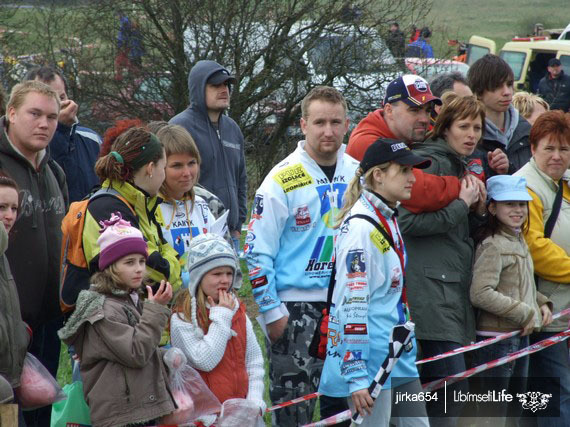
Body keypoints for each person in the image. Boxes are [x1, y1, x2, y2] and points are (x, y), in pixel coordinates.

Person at [246, 86, 359, 425]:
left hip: (348, 305)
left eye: (336, 122)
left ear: (347, 124)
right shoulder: (281, 178)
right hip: (295, 311)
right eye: (320, 122)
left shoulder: (361, 173)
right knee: (296, 415)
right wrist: (272, 312)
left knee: (345, 413)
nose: (329, 131)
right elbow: (255, 251)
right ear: (303, 124)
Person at [319, 138, 430, 427]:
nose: (412, 176)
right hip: (372, 362)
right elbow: (352, 306)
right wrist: (356, 376)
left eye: (412, 170)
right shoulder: (360, 228)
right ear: (378, 175)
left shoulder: (388, 215)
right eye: (404, 170)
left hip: (399, 354)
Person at [398, 93, 488, 426]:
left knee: (446, 397)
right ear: (444, 129)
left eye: (477, 127)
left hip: (452, 294)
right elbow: (406, 224)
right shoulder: (429, 163)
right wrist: (461, 206)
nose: (472, 135)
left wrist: (477, 210)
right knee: (447, 397)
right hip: (430, 296)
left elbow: (456, 232)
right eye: (463, 126)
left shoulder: (458, 165)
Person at [58, 213, 176, 427]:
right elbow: (136, 353)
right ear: (110, 266)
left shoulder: (129, 298)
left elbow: (138, 347)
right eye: (129, 262)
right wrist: (156, 310)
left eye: (142, 261)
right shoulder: (103, 309)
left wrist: (165, 357)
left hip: (134, 407)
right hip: (121, 414)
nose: (139, 268)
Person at [0, 80, 67, 427]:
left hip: (48, 322)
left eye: (52, 117)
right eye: (35, 114)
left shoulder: (54, 171)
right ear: (11, 114)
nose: (44, 124)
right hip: (7, 326)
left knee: (41, 416)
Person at [470, 175, 553, 425]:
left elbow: (521, 283)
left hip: (518, 336)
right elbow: (480, 292)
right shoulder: (493, 245)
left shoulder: (517, 240)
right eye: (509, 204)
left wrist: (541, 302)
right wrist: (525, 313)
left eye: (521, 204)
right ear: (492, 208)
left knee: (512, 413)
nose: (518, 210)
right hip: (498, 339)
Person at [170, 233, 265, 423]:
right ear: (198, 277)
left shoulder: (237, 309)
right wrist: (221, 316)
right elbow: (204, 360)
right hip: (204, 418)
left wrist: (254, 402)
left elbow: (254, 361)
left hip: (241, 414)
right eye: (217, 274)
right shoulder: (182, 316)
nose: (225, 280)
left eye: (229, 273)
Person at [514, 110, 570, 426]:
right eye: (549, 148)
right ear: (533, 147)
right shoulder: (526, 186)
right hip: (543, 313)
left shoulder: (561, 182)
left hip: (561, 311)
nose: (557, 156)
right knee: (555, 396)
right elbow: (533, 246)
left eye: (564, 148)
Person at [83, 127, 181, 293]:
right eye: (163, 168)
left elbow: (162, 251)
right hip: (115, 314)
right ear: (150, 168)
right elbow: (159, 273)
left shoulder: (140, 202)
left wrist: (168, 260)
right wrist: (174, 266)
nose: (164, 176)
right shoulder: (110, 209)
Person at [347, 74, 464, 214]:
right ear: (389, 110)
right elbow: (418, 191)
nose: (424, 119)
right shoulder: (366, 142)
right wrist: (463, 186)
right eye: (414, 110)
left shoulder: (407, 130)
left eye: (427, 111)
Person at [169, 60, 247, 255]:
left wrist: (238, 224)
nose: (224, 90)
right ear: (198, 88)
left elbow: (241, 179)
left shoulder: (232, 129)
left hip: (230, 234)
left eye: (226, 85)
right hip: (196, 233)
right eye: (215, 85)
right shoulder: (179, 127)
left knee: (230, 286)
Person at [156, 124, 240, 289]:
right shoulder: (148, 207)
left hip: (207, 305)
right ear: (160, 166)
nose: (187, 173)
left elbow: (229, 261)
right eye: (177, 165)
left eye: (192, 163)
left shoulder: (208, 203)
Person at [24, 66, 101, 202]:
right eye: (48, 98)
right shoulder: (23, 143)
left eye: (61, 97)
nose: (58, 104)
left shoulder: (92, 139)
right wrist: (59, 128)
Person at [468, 54, 532, 176]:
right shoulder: (469, 135)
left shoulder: (526, 130)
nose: (507, 92)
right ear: (479, 91)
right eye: (497, 86)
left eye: (509, 84)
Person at [0, 174, 30, 426]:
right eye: (1, 207)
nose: (9, 216)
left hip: (10, 378)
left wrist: (21, 333)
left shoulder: (4, 255)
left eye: (14, 208)